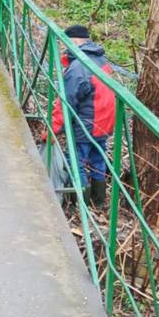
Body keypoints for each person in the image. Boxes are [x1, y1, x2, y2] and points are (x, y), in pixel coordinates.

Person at [48, 25, 116, 206]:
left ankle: (81, 205)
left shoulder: (78, 66)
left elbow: (66, 101)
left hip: (88, 123)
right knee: (98, 159)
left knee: (75, 161)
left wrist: (52, 130)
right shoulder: (101, 60)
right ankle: (99, 201)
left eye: (66, 43)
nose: (64, 47)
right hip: (104, 122)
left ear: (75, 41)